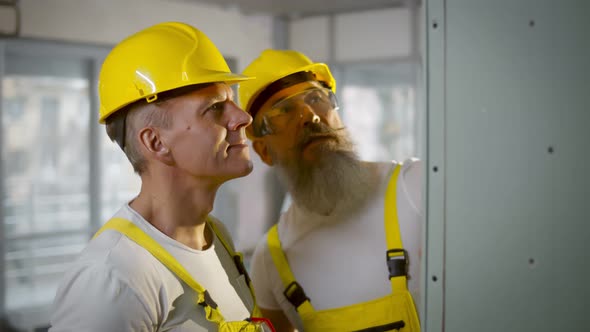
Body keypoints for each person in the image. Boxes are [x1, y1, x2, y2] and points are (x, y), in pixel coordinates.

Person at [50, 22, 273, 332]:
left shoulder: (216, 236)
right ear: (156, 142)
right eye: (216, 108)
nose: (243, 117)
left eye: (231, 101)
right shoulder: (112, 279)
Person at [238, 49, 423, 332]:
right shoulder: (271, 259)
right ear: (264, 151)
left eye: (315, 98)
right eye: (284, 110)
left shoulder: (414, 186)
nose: (310, 116)